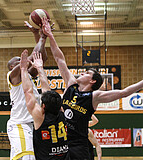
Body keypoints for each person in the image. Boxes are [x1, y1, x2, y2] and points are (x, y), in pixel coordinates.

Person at [41, 16, 143, 160]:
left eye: (86, 73)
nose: (82, 72)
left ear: (92, 80)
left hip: (79, 145)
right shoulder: (71, 84)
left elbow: (124, 92)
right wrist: (50, 36)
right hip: (61, 142)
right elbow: (59, 59)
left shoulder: (94, 97)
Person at [6, 26, 48, 159]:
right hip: (20, 124)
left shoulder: (28, 75)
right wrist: (40, 37)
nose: (22, 61)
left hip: (33, 123)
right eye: (18, 60)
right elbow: (29, 60)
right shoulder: (12, 76)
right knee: (27, 157)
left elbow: (41, 58)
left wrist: (41, 36)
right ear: (13, 67)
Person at [20, 50, 68, 159]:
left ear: (44, 106)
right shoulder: (62, 112)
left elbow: (28, 91)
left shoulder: (40, 117)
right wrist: (40, 68)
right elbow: (47, 91)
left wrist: (23, 69)